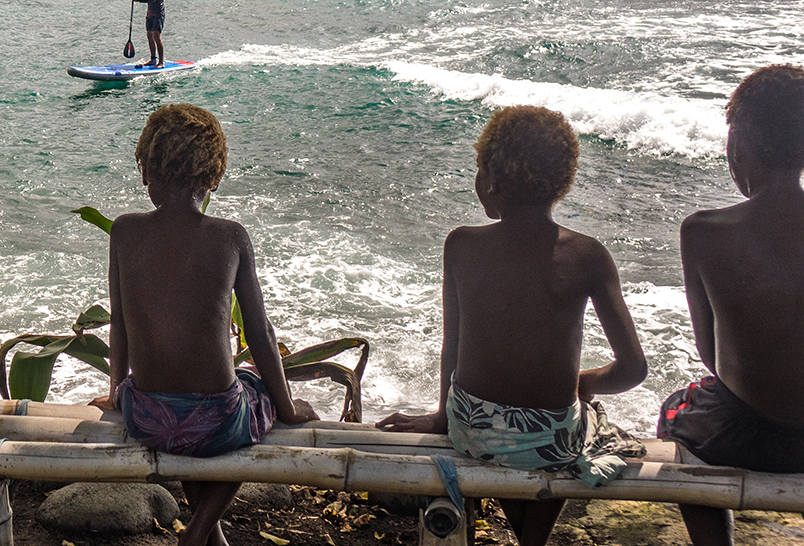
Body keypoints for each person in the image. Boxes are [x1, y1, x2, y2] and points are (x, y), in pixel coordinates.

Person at [378, 106, 648, 546]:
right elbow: (633, 370)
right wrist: (585, 382)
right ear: (563, 181)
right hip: (551, 440)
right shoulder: (587, 255)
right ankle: (533, 537)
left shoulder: (461, 245)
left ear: (491, 178)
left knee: (516, 435)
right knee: (584, 423)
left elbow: (454, 347)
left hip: (471, 429)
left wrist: (442, 417)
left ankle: (528, 534)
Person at [98, 103, 317, 546]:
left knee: (190, 422)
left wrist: (116, 393)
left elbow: (119, 323)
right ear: (212, 176)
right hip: (218, 422)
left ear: (146, 171)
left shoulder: (123, 231)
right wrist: (288, 408)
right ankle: (197, 532)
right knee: (253, 391)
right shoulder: (230, 236)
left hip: (147, 415)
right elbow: (259, 334)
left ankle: (209, 537)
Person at [656, 65, 804, 546]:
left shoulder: (704, 231)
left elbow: (711, 356)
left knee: (674, 413)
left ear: (738, 145)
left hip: (742, 434)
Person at [129, 0, 165, 68]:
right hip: (150, 12)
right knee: (149, 35)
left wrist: (138, 0)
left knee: (156, 36)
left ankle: (161, 62)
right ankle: (153, 60)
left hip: (158, 12)